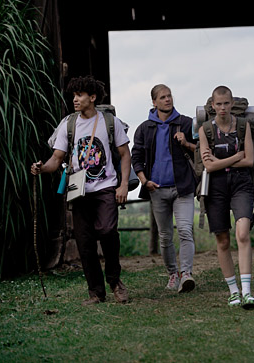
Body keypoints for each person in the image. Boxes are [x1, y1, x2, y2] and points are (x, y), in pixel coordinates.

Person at [31, 75, 130, 305]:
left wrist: (123, 184)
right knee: (85, 243)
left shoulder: (110, 123)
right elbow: (56, 159)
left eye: (80, 95)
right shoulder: (69, 123)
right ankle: (96, 292)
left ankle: (115, 281)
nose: (75, 99)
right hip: (79, 189)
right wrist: (42, 168)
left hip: (105, 186)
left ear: (92, 97)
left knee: (107, 231)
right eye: (74, 95)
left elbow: (125, 154)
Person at [131, 84, 197, 293]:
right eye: (162, 97)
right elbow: (136, 157)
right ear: (154, 102)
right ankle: (172, 275)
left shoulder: (185, 123)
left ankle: (186, 274)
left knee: (186, 230)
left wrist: (186, 143)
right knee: (165, 236)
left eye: (169, 96)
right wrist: (144, 180)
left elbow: (203, 150)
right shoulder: (144, 128)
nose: (167, 100)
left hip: (182, 188)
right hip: (156, 189)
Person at [198, 85, 254, 309]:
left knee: (242, 233)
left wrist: (220, 161)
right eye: (218, 104)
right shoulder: (205, 130)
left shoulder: (243, 126)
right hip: (216, 187)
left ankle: (247, 292)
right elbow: (208, 166)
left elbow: (249, 161)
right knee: (223, 240)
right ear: (212, 106)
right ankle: (233, 292)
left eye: (226, 103)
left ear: (232, 104)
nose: (222, 108)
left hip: (242, 183)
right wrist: (235, 156)